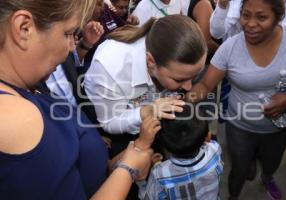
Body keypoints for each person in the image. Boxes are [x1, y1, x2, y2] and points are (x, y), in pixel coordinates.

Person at [0, 0, 155, 199]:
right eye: (68, 33)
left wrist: (111, 163)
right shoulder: (16, 120)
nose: (72, 46)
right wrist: (128, 169)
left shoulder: (23, 87)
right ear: (24, 28)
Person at [186, 0, 286, 199]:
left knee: (272, 162)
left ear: (278, 17)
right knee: (238, 170)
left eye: (261, 17)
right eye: (245, 15)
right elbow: (205, 85)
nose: (250, 24)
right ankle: (233, 195)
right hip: (240, 126)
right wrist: (183, 102)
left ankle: (267, 178)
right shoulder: (230, 47)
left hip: (279, 127)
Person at [83, 15, 207, 155]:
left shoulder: (164, 48)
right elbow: (109, 122)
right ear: (150, 61)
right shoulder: (110, 67)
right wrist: (147, 112)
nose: (189, 87)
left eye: (194, 76)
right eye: (179, 79)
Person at [137, 105, 223, 200]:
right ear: (208, 137)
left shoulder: (159, 174)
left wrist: (141, 182)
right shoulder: (214, 150)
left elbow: (147, 197)